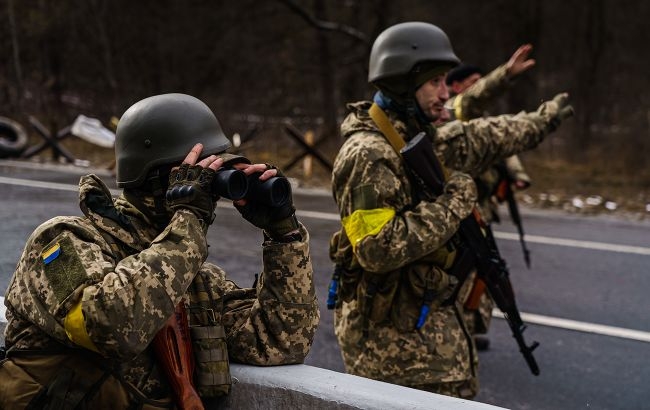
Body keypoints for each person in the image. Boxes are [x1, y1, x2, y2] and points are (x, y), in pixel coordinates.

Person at [0, 93, 320, 409]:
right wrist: (189, 220)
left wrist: (283, 235)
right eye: (199, 173)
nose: (210, 190)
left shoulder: (192, 277)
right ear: (158, 178)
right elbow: (108, 326)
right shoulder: (61, 241)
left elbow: (279, 342)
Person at [329, 22, 572, 398]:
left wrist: (544, 119)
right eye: (436, 82)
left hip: (427, 340)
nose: (447, 93)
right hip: (395, 356)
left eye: (446, 82)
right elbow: (376, 247)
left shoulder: (421, 137)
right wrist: (456, 202)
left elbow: (491, 134)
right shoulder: (368, 154)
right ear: (402, 82)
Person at [444, 45, 537, 350]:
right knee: (464, 272)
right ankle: (457, 329)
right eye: (472, 82)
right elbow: (476, 97)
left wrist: (517, 173)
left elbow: (502, 147)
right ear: (456, 86)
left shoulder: (476, 116)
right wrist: (505, 75)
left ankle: (469, 329)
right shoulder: (457, 108)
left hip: (480, 204)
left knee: (484, 272)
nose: (477, 86)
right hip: (461, 204)